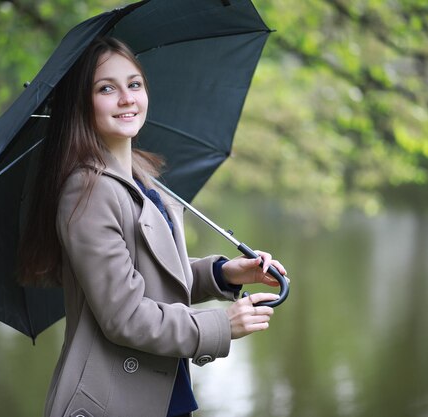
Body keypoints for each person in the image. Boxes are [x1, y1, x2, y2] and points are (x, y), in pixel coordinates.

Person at [19, 37, 288, 417]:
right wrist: (221, 325)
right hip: (113, 400)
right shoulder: (87, 190)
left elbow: (154, 281)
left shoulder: (143, 179)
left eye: (134, 84)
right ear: (82, 103)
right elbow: (125, 316)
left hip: (163, 394)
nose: (127, 98)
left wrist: (222, 273)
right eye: (106, 88)